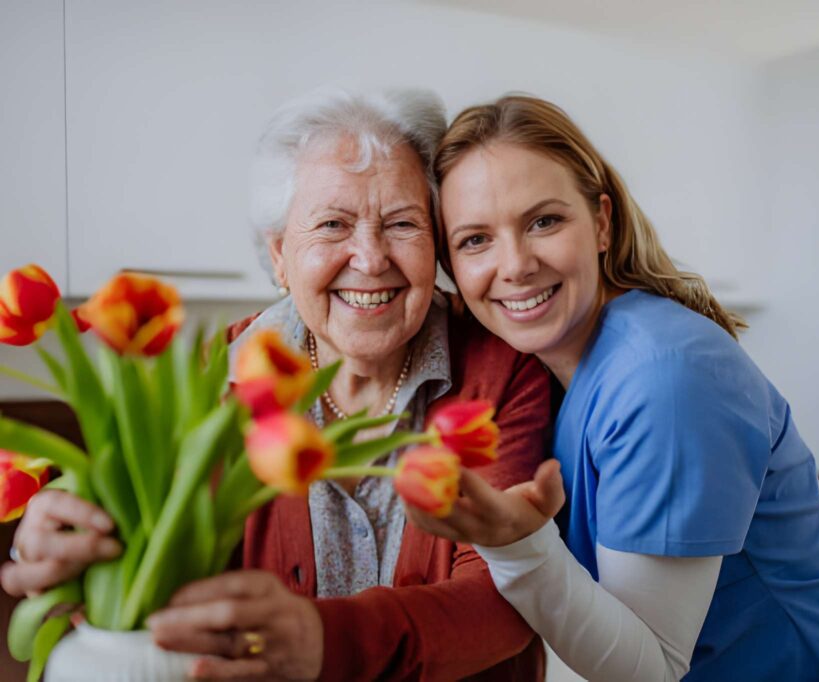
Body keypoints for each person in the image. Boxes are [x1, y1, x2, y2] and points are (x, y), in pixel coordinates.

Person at [0, 88, 550, 681]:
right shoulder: (215, 378)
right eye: (333, 225)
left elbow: (509, 598)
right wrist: (73, 551)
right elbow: (154, 563)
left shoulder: (503, 371)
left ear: (435, 246)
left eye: (401, 224)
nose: (369, 257)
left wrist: (324, 640)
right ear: (281, 255)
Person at [407, 95, 819, 681]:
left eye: (544, 221)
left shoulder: (663, 379)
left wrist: (516, 546)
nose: (514, 265)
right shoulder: (552, 369)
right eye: (475, 240)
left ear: (602, 223)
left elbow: (652, 668)